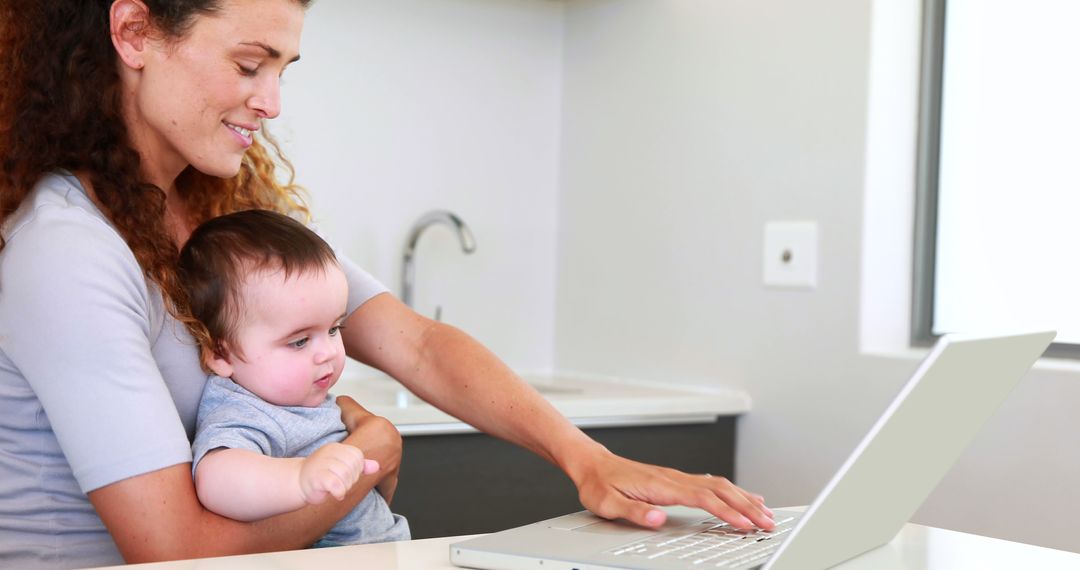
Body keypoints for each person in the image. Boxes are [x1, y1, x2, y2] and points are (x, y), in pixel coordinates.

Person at [0, 0, 773, 568]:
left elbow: (418, 343)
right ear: (133, 32)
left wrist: (587, 460)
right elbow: (173, 548)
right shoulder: (67, 251)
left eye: (282, 69)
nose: (270, 104)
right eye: (248, 64)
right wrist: (368, 452)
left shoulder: (219, 213)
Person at [179, 209, 410, 547]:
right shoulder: (245, 411)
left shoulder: (292, 396)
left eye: (333, 329)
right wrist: (299, 479)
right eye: (299, 341)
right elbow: (216, 479)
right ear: (221, 355)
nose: (328, 352)